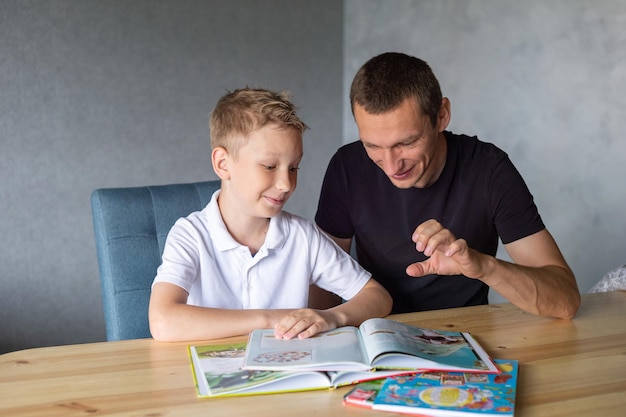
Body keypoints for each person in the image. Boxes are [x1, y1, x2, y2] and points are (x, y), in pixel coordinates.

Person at [314, 52, 580, 319]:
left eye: (406, 143)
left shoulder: (488, 170)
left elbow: (565, 301)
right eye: (372, 146)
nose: (392, 166)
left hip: (467, 338)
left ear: (442, 115)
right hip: (376, 333)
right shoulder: (347, 168)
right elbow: (322, 285)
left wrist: (481, 266)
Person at [148, 87, 392, 342]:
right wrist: (268, 319)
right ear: (223, 164)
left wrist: (332, 317)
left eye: (294, 168)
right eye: (269, 166)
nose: (286, 184)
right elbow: (163, 321)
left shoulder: (303, 237)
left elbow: (377, 297)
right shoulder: (190, 236)